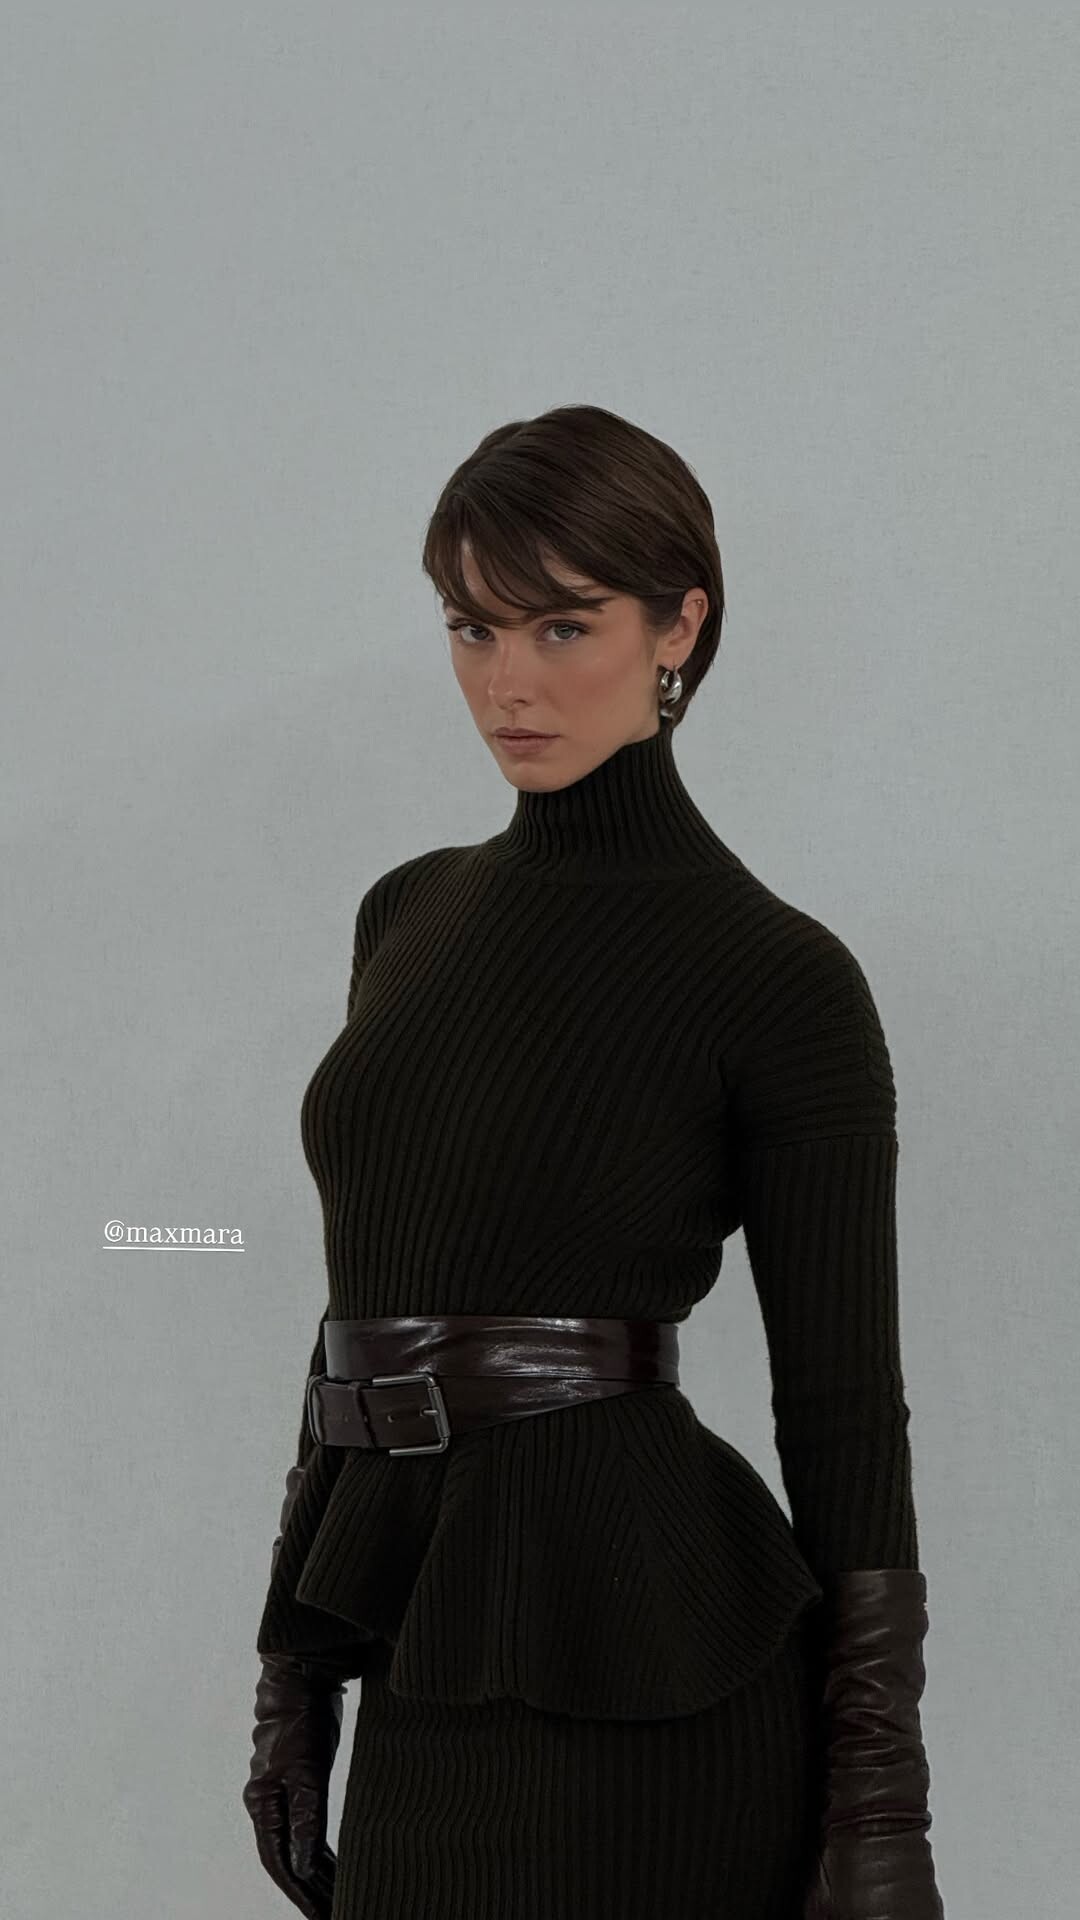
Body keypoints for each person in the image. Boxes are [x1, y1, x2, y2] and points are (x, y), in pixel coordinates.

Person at [242, 404, 945, 1920]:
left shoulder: (779, 975)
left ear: (679, 626)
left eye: (564, 625)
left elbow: (843, 1411)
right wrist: (293, 1668)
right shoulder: (407, 916)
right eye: (473, 627)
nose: (509, 682)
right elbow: (369, 1306)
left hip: (658, 1669)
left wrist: (882, 1811)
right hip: (425, 1643)